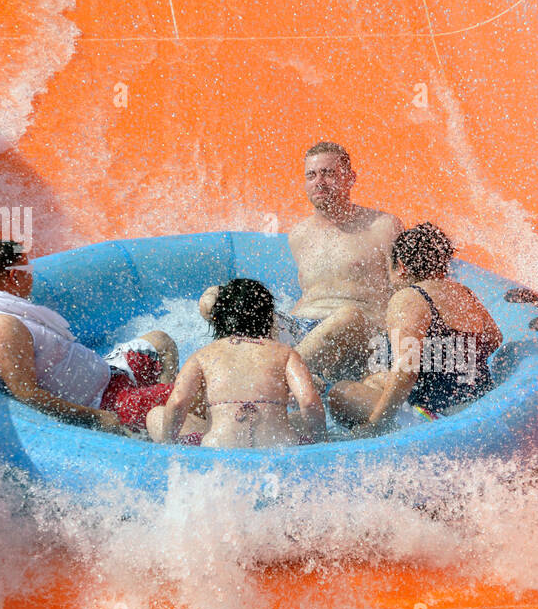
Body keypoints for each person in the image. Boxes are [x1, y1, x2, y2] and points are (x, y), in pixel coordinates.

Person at [199, 142, 401, 381]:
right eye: (311, 175)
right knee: (215, 298)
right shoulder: (299, 235)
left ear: (350, 178)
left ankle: (269, 380)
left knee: (348, 316)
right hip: (303, 328)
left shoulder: (384, 226)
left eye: (328, 173)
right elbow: (310, 293)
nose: (319, 182)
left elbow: (403, 291)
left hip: (357, 332)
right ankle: (234, 377)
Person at [0, 240, 179, 432]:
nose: (31, 276)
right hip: (106, 402)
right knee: (193, 392)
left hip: (110, 373)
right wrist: (97, 418)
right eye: (28, 268)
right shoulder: (2, 327)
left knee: (161, 342)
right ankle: (160, 419)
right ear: (14, 275)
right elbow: (26, 393)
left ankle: (160, 412)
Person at [329, 223, 503, 429]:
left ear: (401, 266)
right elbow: (494, 338)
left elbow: (406, 368)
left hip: (441, 414)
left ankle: (419, 421)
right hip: (477, 399)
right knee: (375, 380)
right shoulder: (462, 293)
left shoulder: (409, 297)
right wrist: (449, 360)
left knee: (340, 393)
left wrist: (375, 425)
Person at [151, 278, 325, 448]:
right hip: (278, 447)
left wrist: (169, 447)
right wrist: (320, 444)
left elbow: (178, 402)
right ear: (268, 317)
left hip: (219, 450)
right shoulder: (285, 353)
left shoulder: (203, 356)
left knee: (155, 415)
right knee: (296, 419)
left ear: (219, 319)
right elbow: (309, 402)